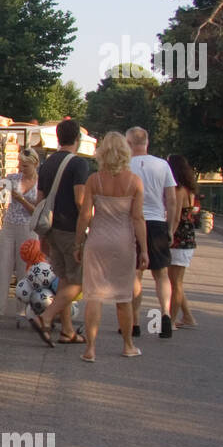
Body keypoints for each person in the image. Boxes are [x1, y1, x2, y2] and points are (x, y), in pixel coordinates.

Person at [75, 132, 147, 360]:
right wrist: (144, 249)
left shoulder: (94, 180)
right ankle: (127, 345)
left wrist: (78, 243)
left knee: (93, 296)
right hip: (123, 243)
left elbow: (86, 216)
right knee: (123, 296)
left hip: (97, 241)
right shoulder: (135, 182)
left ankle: (90, 348)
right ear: (126, 152)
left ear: (102, 153)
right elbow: (138, 218)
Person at [29, 118, 91, 346]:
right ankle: (45, 317)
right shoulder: (79, 164)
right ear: (78, 139)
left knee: (64, 280)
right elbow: (80, 199)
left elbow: (40, 200)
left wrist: (42, 235)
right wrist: (86, 228)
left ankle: (67, 331)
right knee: (79, 281)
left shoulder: (47, 163)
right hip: (70, 229)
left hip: (51, 229)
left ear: (58, 137)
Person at [126, 127, 178, 339]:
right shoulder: (162, 165)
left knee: (136, 273)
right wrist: (171, 227)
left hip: (132, 222)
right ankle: (165, 314)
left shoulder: (126, 165)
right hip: (157, 222)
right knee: (162, 274)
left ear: (129, 143)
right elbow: (172, 200)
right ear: (147, 142)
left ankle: (135, 322)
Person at [0, 149, 41, 316]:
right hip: (9, 225)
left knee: (26, 268)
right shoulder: (13, 178)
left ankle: (24, 308)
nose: (23, 169)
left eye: (26, 166)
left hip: (28, 226)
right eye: (21, 165)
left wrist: (21, 199)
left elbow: (37, 211)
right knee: (2, 265)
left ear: (35, 164)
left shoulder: (39, 183)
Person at [167, 154, 200, 328]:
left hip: (179, 238)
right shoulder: (189, 189)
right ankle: (187, 316)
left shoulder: (178, 190)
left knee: (176, 283)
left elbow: (177, 216)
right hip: (187, 237)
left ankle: (171, 320)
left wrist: (169, 233)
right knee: (175, 281)